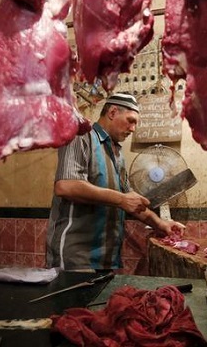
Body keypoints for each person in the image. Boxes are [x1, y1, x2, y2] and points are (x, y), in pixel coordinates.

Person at [45, 93, 186, 271]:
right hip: (76, 258)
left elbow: (130, 199)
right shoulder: (81, 135)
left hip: (106, 259)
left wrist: (160, 224)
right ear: (112, 112)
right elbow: (65, 186)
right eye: (130, 120)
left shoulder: (117, 153)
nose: (133, 128)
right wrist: (121, 199)